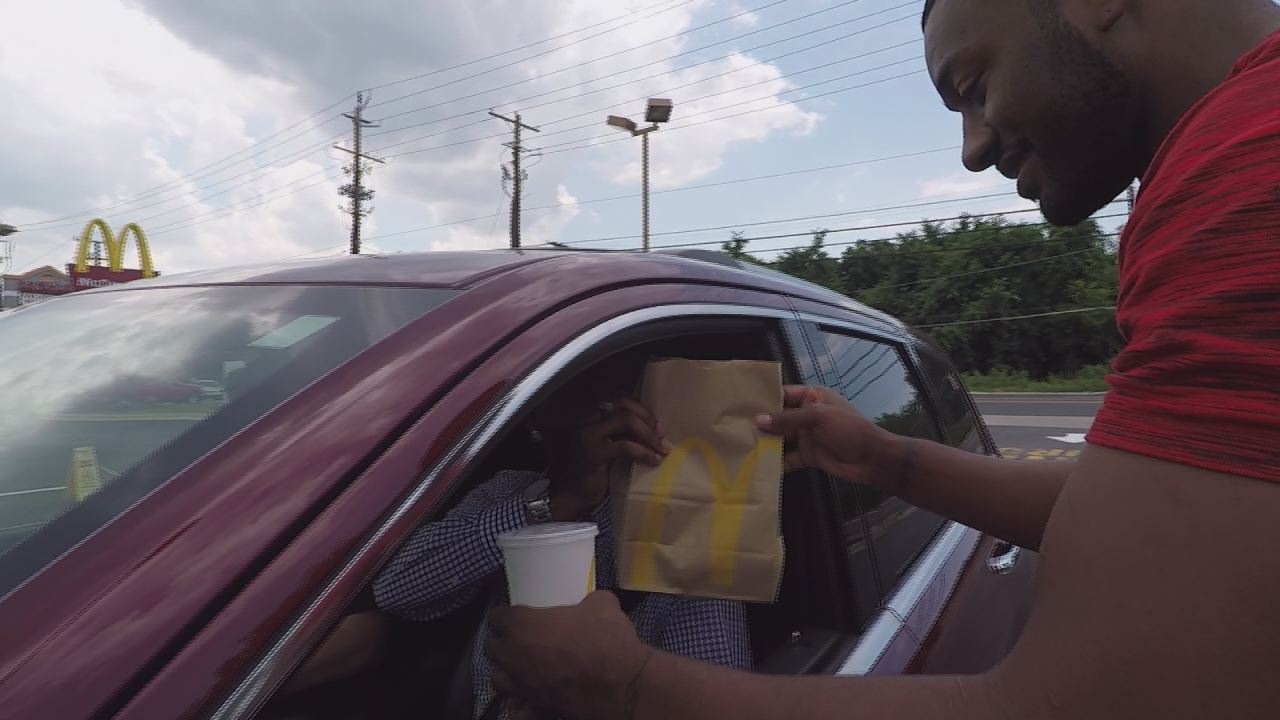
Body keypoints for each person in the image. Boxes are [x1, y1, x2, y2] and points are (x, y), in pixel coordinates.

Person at [483, 1, 1280, 718]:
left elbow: (1098, 702)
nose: (972, 149)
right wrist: (889, 461)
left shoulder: (1246, 171)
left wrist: (625, 688)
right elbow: (1163, 505)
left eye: (973, 84)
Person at [371, 352, 752, 720]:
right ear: (535, 411)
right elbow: (397, 589)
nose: (596, 414)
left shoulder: (684, 531)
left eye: (615, 396)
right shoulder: (509, 490)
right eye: (575, 391)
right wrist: (559, 501)